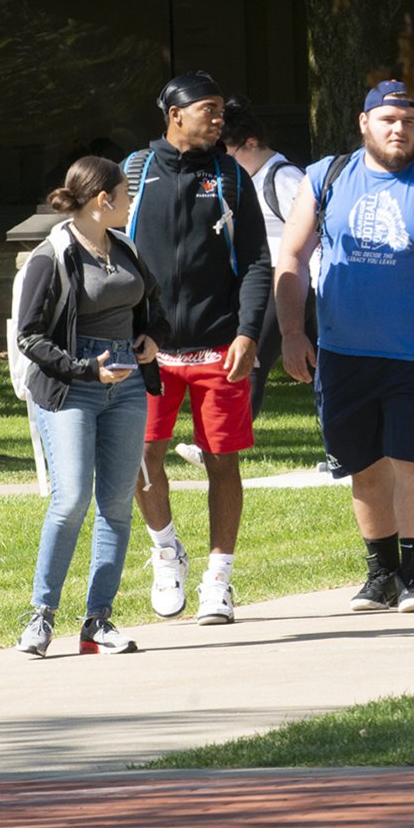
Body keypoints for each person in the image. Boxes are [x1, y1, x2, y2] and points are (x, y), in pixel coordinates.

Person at [277, 81, 414, 615]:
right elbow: (292, 257)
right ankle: (380, 574)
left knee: (412, 463)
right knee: (363, 466)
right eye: (388, 120)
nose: (399, 130)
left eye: (409, 122)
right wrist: (292, 331)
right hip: (343, 354)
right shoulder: (327, 177)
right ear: (364, 123)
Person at [127, 72, 273, 624]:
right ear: (175, 115)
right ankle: (167, 552)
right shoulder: (135, 172)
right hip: (148, 350)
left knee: (222, 461)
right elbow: (110, 251)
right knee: (141, 457)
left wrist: (249, 332)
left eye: (220, 110)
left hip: (219, 346)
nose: (218, 119)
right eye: (207, 109)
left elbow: (257, 261)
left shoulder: (231, 176)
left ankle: (219, 579)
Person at [11, 157, 165, 656]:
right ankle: (40, 617)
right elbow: (29, 336)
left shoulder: (125, 248)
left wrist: (151, 338)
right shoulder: (52, 255)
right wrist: (84, 369)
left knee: (117, 504)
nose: (130, 204)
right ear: (103, 200)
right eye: (125, 195)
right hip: (71, 386)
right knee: (72, 498)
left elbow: (152, 304)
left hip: (127, 385)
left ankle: (98, 621)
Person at [198, 99, 303, 449]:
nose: (224, 162)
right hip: (266, 278)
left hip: (289, 280)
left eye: (229, 152)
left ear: (252, 143)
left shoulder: (284, 178)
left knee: (251, 359)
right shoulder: (244, 178)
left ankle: (221, 440)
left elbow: (313, 235)